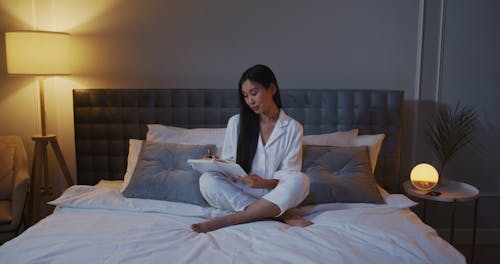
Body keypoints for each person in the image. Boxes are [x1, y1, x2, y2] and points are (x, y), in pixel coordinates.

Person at [191, 64, 312, 233]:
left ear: (272, 88)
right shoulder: (236, 123)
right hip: (239, 192)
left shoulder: (293, 128)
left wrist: (264, 183)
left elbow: (289, 172)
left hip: (274, 194)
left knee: (301, 180)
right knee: (206, 179)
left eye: (254, 93)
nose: (250, 101)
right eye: (246, 96)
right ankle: (278, 214)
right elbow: (230, 162)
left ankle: (232, 219)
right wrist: (220, 163)